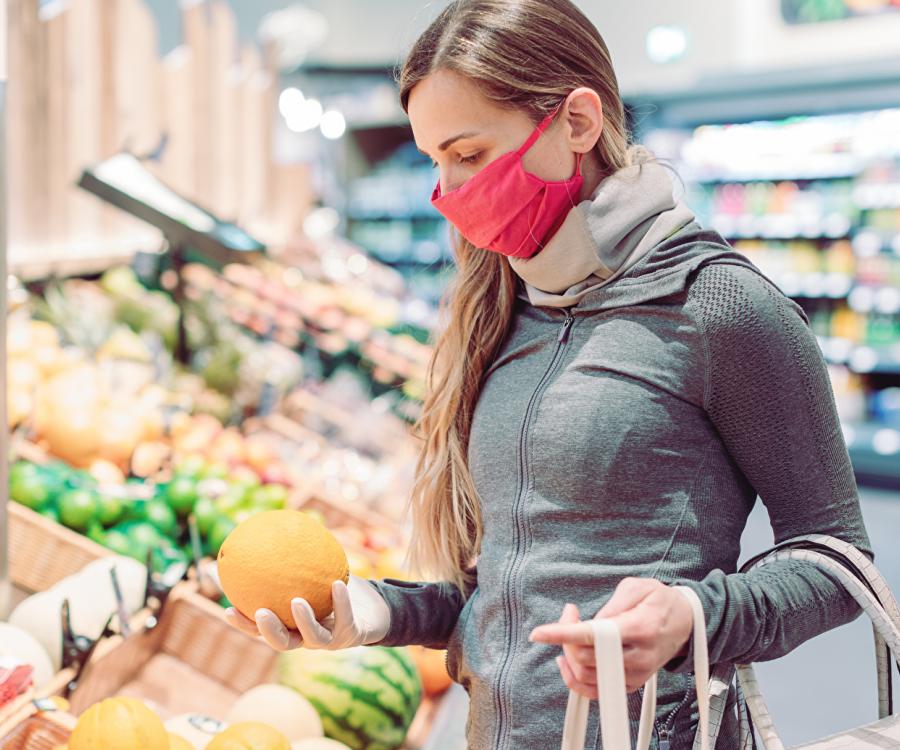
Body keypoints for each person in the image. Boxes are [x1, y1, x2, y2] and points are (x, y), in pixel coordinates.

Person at [225, 1, 873, 747]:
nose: (450, 194)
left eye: (468, 155)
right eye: (435, 161)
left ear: (576, 122)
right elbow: (508, 592)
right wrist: (372, 613)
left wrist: (694, 617)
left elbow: (836, 558)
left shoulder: (719, 305)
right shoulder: (506, 309)